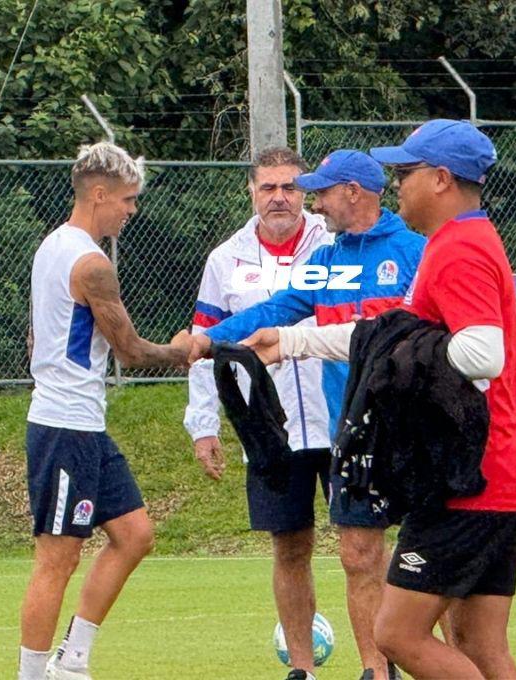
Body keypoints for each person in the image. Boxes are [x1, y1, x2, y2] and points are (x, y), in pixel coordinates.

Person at [242, 120, 516, 679]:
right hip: (501, 471)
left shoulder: (457, 250)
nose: (396, 183)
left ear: (441, 180)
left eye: (406, 172)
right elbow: (387, 335)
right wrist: (290, 340)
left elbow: (482, 354)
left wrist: (405, 363)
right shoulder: (460, 242)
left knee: (396, 633)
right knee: (481, 644)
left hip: (473, 478)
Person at [189, 149, 426, 680]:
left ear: (353, 193)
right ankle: (371, 671)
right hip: (352, 428)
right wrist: (210, 338)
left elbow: (418, 337)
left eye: (318, 191)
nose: (312, 202)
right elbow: (279, 310)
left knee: (423, 552)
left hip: (408, 429)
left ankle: (404, 662)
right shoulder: (329, 262)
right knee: (356, 550)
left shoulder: (414, 253)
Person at [18, 142, 192, 680]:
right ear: (99, 194)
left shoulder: (52, 247)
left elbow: (34, 336)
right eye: (127, 199)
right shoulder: (92, 264)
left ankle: (72, 661)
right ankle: (31, 674)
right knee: (57, 558)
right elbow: (132, 351)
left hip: (84, 424)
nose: (131, 210)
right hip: (63, 426)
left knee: (135, 534)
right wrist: (186, 351)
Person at [184, 147, 333, 680]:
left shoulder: (333, 244)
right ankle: (301, 669)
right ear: (250, 192)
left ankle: (378, 665)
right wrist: (203, 425)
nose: (279, 197)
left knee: (365, 543)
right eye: (268, 187)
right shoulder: (226, 259)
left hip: (340, 416)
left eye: (290, 187)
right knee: (289, 545)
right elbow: (205, 350)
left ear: (305, 193)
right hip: (269, 430)